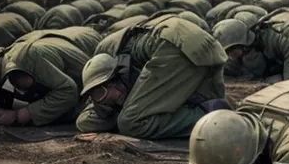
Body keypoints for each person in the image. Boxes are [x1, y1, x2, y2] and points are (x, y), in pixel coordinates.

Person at [76, 13, 229, 140]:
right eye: (98, 95)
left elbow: (95, 120)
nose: (109, 97)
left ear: (114, 75)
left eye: (103, 92)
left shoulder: (106, 56)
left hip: (169, 45)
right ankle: (213, 110)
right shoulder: (114, 57)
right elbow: (86, 121)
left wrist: (117, 118)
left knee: (131, 122)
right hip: (201, 41)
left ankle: (208, 118)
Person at [0, 29, 94, 126]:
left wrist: (19, 115)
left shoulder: (23, 65)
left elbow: (68, 91)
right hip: (52, 40)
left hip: (85, 44)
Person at [212, 8, 289, 82]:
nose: (231, 56)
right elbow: (228, 70)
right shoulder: (245, 45)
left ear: (245, 44)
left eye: (231, 51)